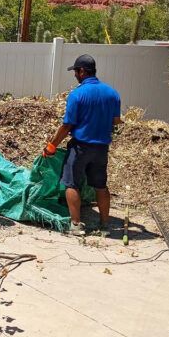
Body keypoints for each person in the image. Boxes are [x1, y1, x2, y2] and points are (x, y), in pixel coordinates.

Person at [43, 54, 121, 236]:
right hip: (101, 148)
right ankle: (105, 225)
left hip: (80, 147)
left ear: (83, 71)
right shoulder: (112, 93)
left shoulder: (77, 95)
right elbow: (116, 121)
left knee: (72, 184)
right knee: (100, 186)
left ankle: (76, 225)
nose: (75, 75)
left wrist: (52, 145)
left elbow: (67, 125)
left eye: (76, 71)